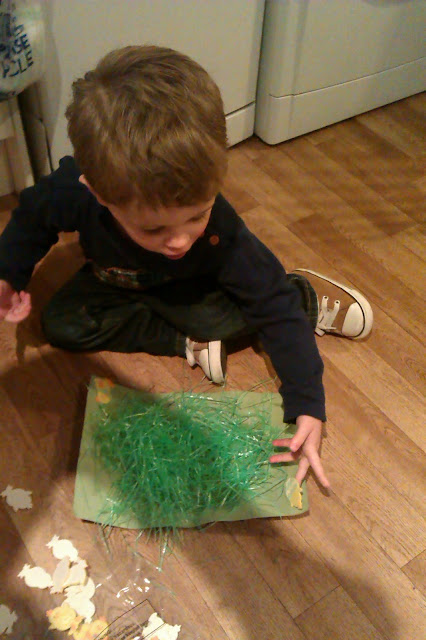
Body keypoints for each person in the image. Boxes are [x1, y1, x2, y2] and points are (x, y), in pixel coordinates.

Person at [0, 45, 373, 489]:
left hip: (192, 286)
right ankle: (186, 341)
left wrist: (307, 403)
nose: (178, 240)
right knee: (61, 324)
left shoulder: (220, 232)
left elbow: (270, 303)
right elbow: (32, 217)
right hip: (118, 281)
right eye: (154, 228)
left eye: (196, 215)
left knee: (232, 312)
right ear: (98, 193)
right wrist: (8, 273)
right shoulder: (74, 192)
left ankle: (304, 296)